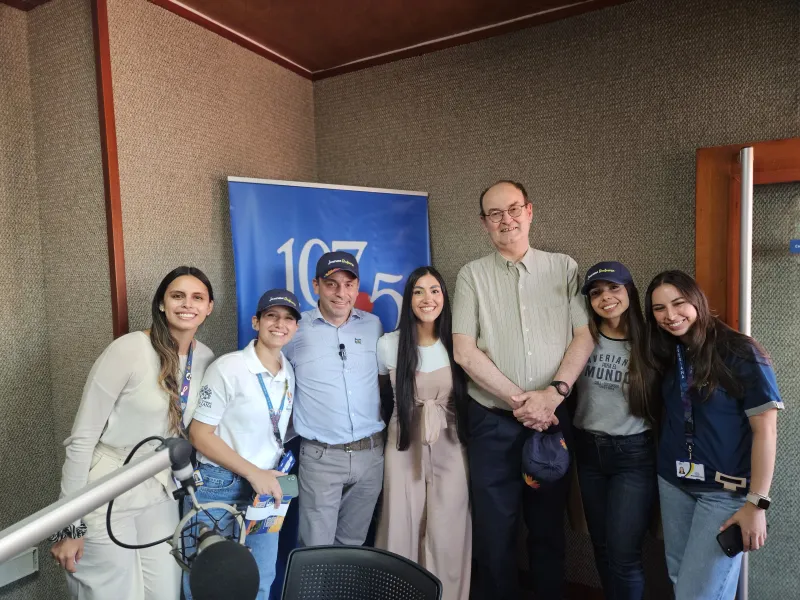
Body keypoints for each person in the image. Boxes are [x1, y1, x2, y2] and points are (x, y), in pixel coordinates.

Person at [452, 180, 594, 600]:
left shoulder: (564, 267)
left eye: (513, 209)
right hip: (493, 425)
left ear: (529, 211)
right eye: (494, 214)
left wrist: (551, 396)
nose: (505, 220)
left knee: (548, 528)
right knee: (495, 533)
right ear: (484, 223)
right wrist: (523, 401)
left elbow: (583, 337)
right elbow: (464, 351)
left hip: (551, 422)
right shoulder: (471, 276)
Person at [50, 266, 215, 600]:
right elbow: (82, 439)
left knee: (164, 593)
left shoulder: (206, 358)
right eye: (177, 296)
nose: (187, 304)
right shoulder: (128, 350)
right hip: (109, 486)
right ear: (161, 304)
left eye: (197, 297)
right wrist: (69, 524)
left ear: (209, 307)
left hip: (159, 491)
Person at [645, 270, 782, 600]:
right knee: (682, 580)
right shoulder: (667, 352)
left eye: (679, 304)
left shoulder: (740, 351)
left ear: (697, 301)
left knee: (697, 593)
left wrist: (757, 504)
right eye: (659, 309)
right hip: (674, 483)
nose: (670, 316)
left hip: (724, 492)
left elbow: (765, 430)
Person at [184, 289, 301, 600]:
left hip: (266, 491)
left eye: (289, 318)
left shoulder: (287, 370)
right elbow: (199, 434)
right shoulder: (228, 368)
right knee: (210, 587)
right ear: (256, 321)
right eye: (272, 316)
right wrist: (253, 473)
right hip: (219, 487)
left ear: (296, 327)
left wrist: (262, 476)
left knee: (260, 581)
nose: (280, 324)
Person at [375, 266, 471, 600]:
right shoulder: (389, 345)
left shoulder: (458, 346)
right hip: (403, 441)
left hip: (452, 440)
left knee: (448, 525)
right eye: (418, 291)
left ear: (444, 297)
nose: (426, 298)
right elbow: (383, 397)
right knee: (400, 522)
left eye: (434, 290)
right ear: (408, 299)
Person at [284, 251, 385, 547]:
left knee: (352, 548)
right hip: (321, 457)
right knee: (316, 551)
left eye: (349, 284)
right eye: (332, 284)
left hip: (370, 456)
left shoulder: (374, 326)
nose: (341, 293)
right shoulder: (294, 329)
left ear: (357, 287)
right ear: (316, 285)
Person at [574, 261, 658, 600]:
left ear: (629, 292)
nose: (605, 297)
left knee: (624, 555)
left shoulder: (651, 341)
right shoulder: (582, 339)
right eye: (596, 293)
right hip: (588, 452)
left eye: (614, 288)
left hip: (633, 456)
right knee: (602, 546)